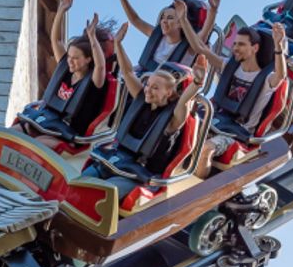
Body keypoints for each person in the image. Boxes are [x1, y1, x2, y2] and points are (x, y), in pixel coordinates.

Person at [81, 23, 204, 197]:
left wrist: (197, 83)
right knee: (82, 181)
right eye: (148, 85)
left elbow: (184, 102)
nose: (147, 89)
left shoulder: (173, 119)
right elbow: (129, 72)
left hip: (138, 176)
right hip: (115, 161)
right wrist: (118, 44)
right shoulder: (142, 99)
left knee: (99, 194)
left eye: (155, 88)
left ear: (169, 93)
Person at [178, 0, 288, 178]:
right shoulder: (229, 65)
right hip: (215, 120)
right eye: (235, 44)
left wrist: (278, 46)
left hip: (238, 132)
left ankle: (194, 187)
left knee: (205, 149)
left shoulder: (266, 78)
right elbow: (200, 47)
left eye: (241, 45)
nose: (235, 48)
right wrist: (185, 18)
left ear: (255, 48)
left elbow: (281, 75)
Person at [13, 0, 109, 149]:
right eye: (69, 56)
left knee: (33, 145)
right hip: (45, 121)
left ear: (88, 59)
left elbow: (101, 66)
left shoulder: (94, 81)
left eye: (76, 58)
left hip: (65, 133)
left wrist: (92, 38)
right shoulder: (66, 68)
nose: (70, 60)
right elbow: (56, 40)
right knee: (14, 131)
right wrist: (60, 12)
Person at [117, 0, 219, 72]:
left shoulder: (190, 46)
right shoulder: (157, 35)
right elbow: (135, 20)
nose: (164, 21)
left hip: (167, 86)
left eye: (170, 18)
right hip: (145, 78)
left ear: (180, 23)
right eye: (163, 18)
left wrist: (213, 10)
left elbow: (205, 32)